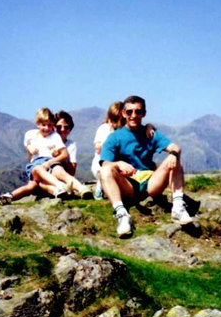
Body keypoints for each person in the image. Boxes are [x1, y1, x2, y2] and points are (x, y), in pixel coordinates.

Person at [99, 95, 192, 238]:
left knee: (174, 157)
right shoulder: (115, 137)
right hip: (128, 184)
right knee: (105, 171)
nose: (133, 116)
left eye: (138, 112)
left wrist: (173, 153)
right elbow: (105, 163)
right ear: (123, 113)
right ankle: (122, 215)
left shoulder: (150, 133)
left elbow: (174, 146)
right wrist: (118, 163)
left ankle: (178, 206)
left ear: (144, 113)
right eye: (129, 112)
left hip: (150, 183)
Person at [0, 108, 70, 205]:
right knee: (37, 180)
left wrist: (54, 154)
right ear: (38, 124)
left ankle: (10, 196)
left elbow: (62, 155)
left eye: (49, 125)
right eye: (43, 125)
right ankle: (58, 187)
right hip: (38, 168)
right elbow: (30, 158)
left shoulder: (54, 138)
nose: (47, 128)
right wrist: (29, 150)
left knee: (34, 185)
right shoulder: (31, 136)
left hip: (49, 169)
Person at [92, 102, 156, 200]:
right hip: (104, 163)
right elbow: (98, 148)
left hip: (122, 166)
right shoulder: (106, 130)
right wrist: (110, 146)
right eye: (113, 119)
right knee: (106, 170)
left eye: (119, 120)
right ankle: (101, 189)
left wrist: (149, 126)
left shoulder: (125, 132)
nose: (116, 123)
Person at [47, 111, 93, 199]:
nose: (62, 130)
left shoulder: (71, 145)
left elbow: (72, 170)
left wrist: (60, 158)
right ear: (53, 127)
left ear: (70, 129)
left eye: (66, 127)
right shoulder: (47, 142)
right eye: (59, 127)